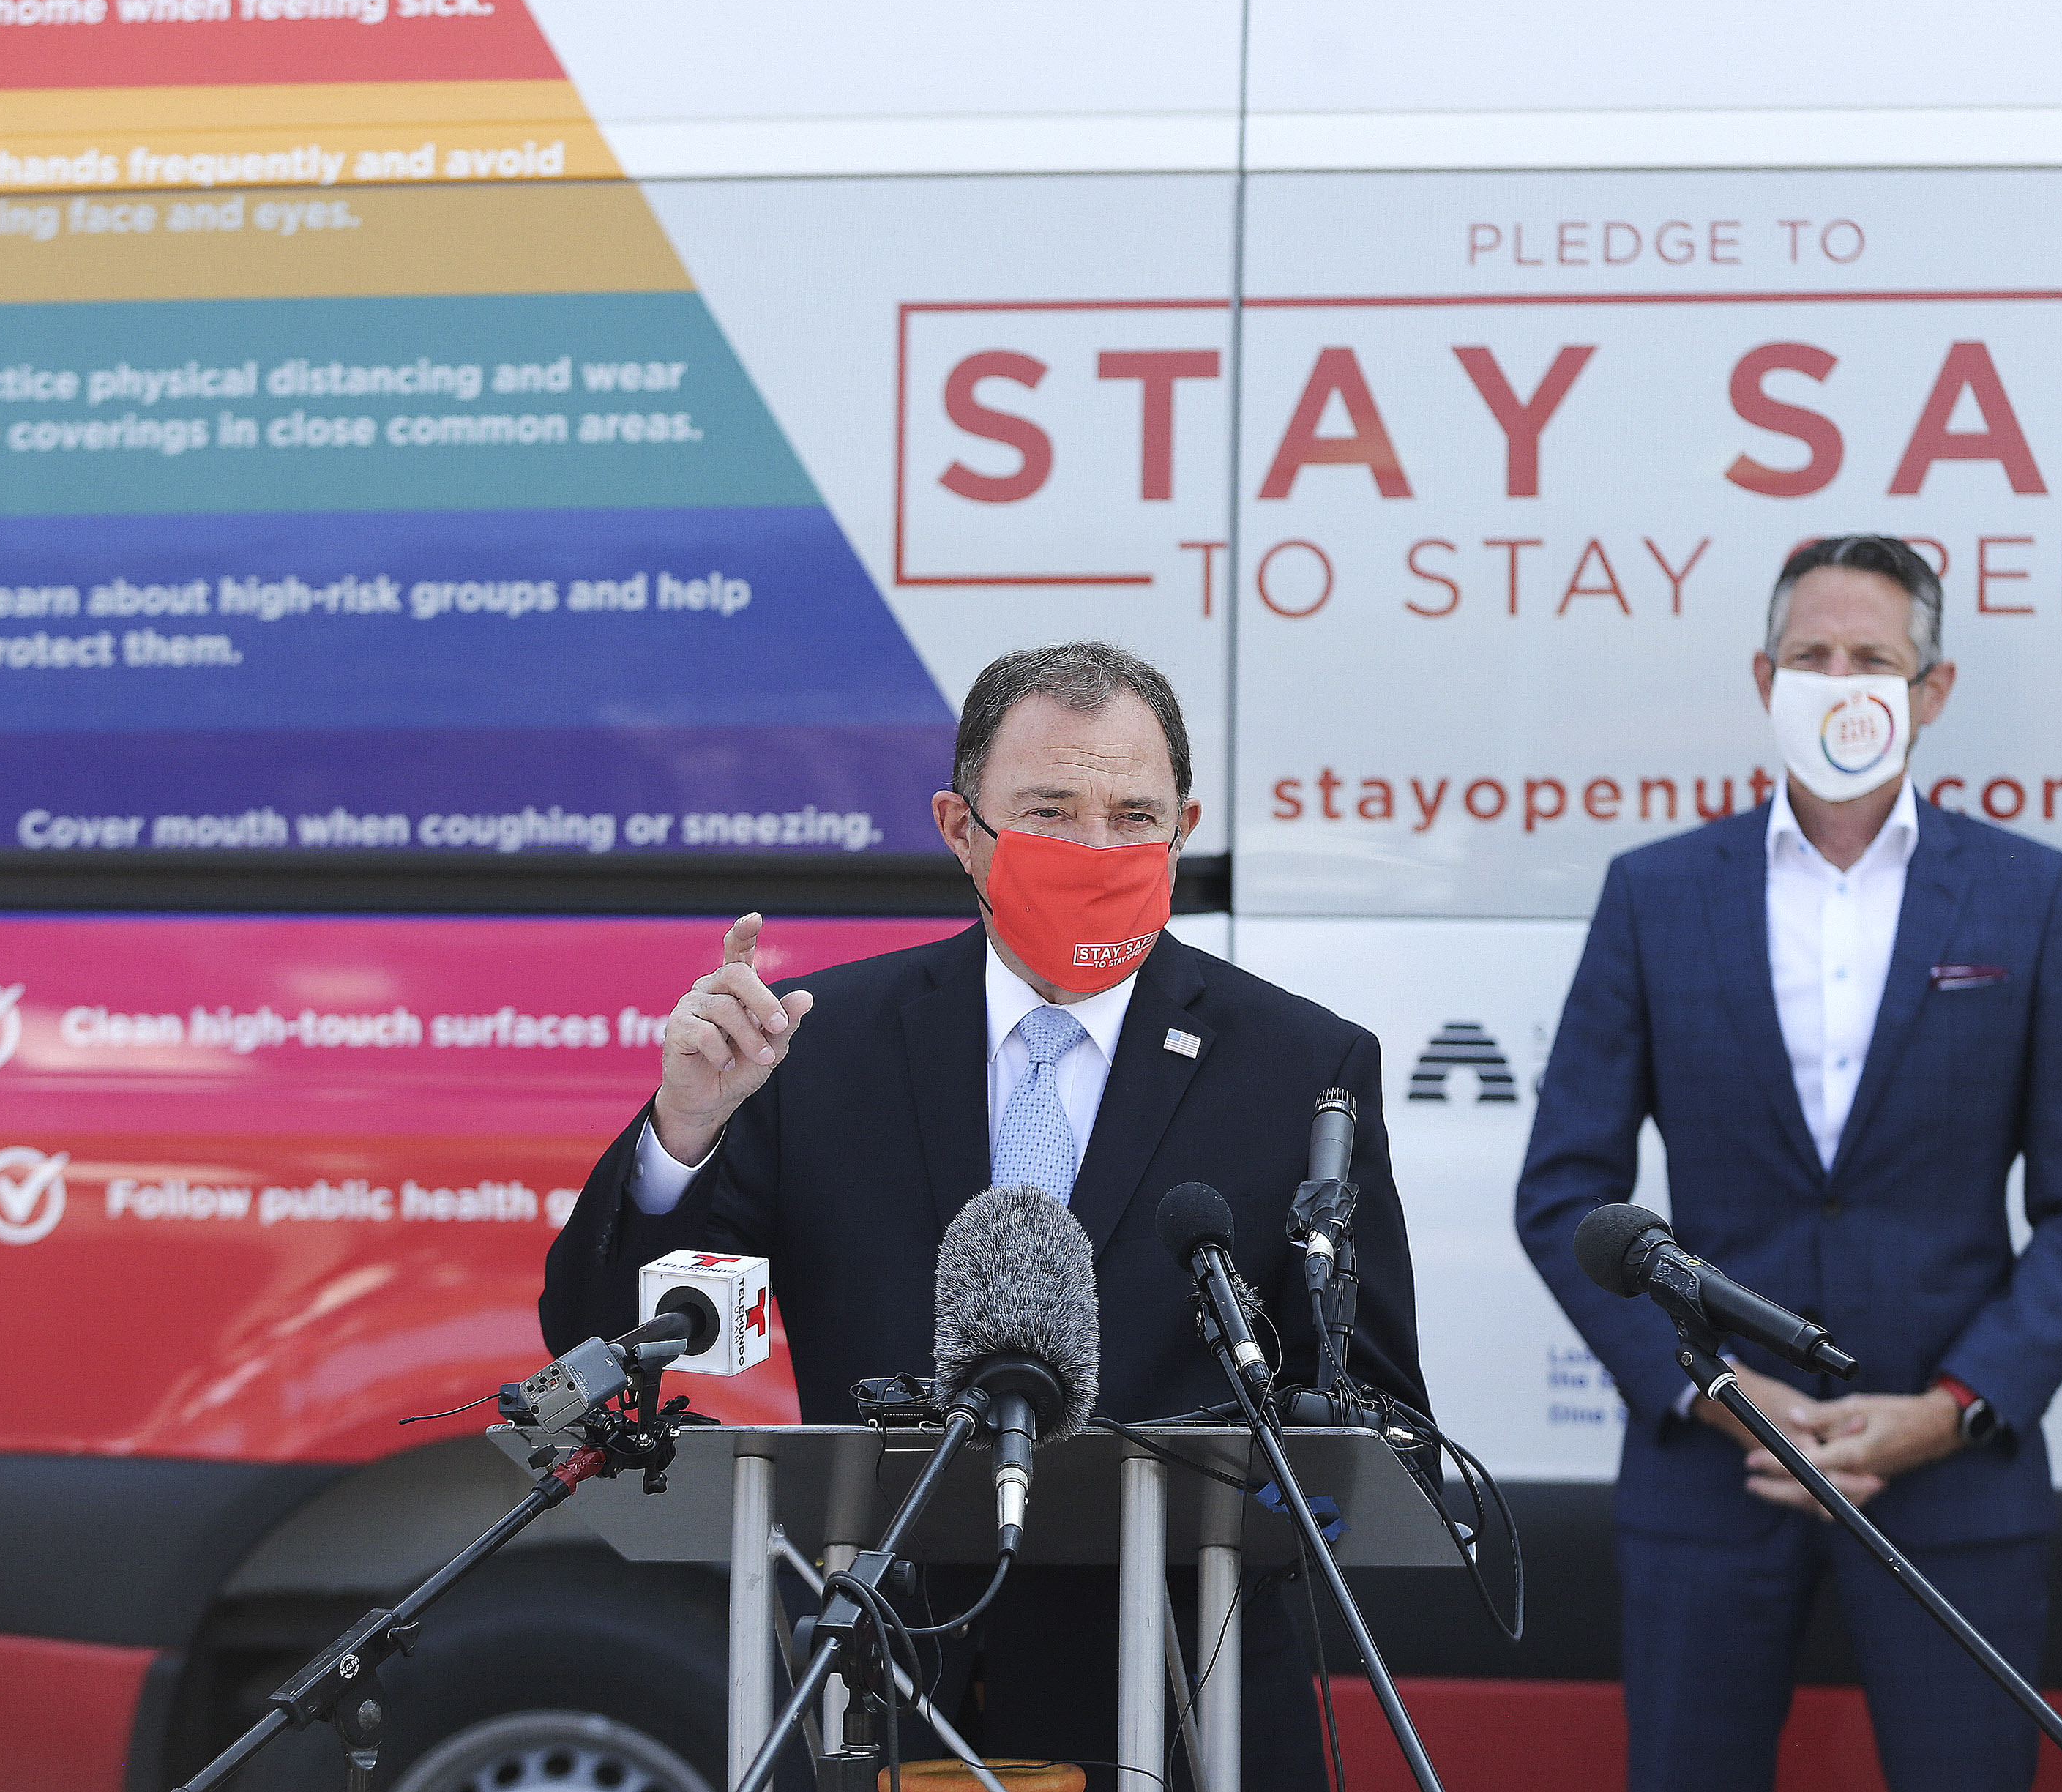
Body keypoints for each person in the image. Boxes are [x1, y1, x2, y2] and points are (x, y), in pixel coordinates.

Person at [542, 639, 1427, 1789]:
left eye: (1133, 815)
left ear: (1186, 824)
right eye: (1052, 812)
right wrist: (683, 1132)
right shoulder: (820, 1046)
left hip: (1181, 1700)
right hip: (879, 1687)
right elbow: (603, 1328)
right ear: (962, 827)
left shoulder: (1302, 1064)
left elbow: (1377, 1404)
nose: (1097, 850)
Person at [1513, 536, 2062, 1792]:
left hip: (1953, 1483)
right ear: (1765, 676)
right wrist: (1711, 1388)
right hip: (1713, 1475)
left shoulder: (2032, 897)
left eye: (1874, 657)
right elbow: (1565, 1190)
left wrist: (1952, 1409)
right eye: (1813, 655)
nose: (1840, 678)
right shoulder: (1657, 894)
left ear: (1933, 689)